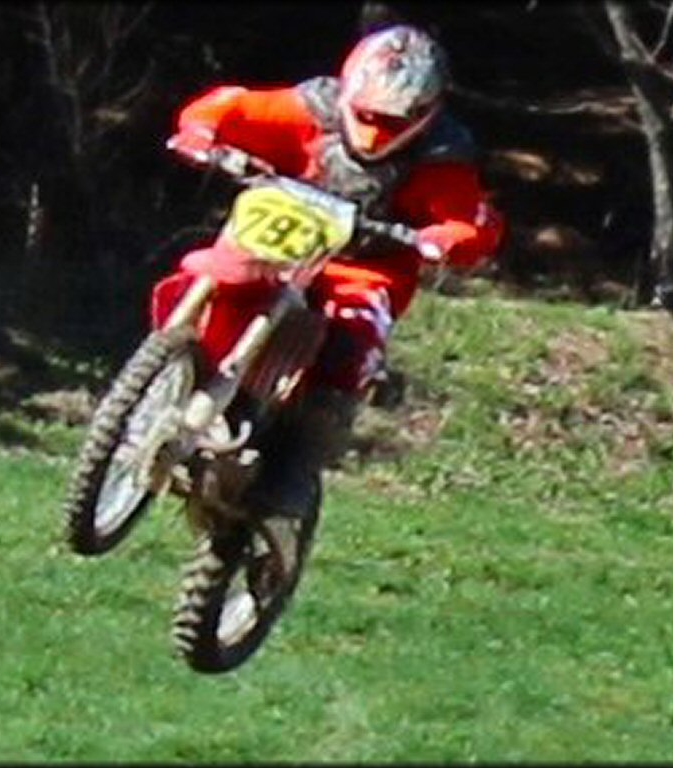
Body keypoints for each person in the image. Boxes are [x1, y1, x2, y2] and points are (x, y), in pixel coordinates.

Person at [159, 24, 505, 516]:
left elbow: (470, 218)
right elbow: (230, 105)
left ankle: (293, 470)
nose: (374, 131)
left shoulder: (442, 156)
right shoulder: (309, 109)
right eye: (366, 114)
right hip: (273, 243)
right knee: (206, 272)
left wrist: (450, 237)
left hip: (364, 269)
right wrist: (201, 131)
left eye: (392, 120)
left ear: (426, 114)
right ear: (347, 88)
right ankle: (164, 373)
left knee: (352, 344)